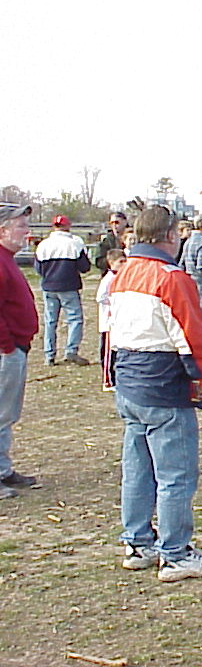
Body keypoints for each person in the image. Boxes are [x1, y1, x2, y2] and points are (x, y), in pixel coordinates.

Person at [109, 206, 202, 581]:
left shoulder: (122, 273)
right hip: (163, 388)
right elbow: (191, 337)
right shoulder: (172, 278)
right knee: (176, 474)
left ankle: (138, 544)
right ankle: (175, 554)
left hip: (128, 382)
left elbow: (111, 331)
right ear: (170, 236)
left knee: (138, 470)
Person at [0, 204, 39, 499]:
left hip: (14, 349)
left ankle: (3, 468)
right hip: (6, 351)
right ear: (3, 230)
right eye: (21, 226)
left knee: (6, 413)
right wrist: (7, 347)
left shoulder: (7, 259)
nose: (27, 232)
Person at [34, 215, 91, 366]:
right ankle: (71, 351)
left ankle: (49, 355)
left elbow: (38, 269)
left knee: (50, 321)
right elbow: (85, 267)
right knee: (74, 319)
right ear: (68, 225)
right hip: (69, 286)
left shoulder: (43, 245)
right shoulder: (75, 243)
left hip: (49, 287)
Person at [96, 248, 127, 389]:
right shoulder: (108, 279)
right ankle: (107, 381)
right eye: (120, 262)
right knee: (108, 353)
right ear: (111, 263)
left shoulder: (122, 277)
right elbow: (100, 297)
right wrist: (114, 300)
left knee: (117, 352)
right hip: (108, 323)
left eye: (125, 261)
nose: (124, 264)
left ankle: (117, 378)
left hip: (119, 321)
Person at [181, 215, 202, 322]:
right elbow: (201, 268)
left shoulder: (188, 241)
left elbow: (181, 264)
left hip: (188, 280)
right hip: (200, 282)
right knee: (201, 312)